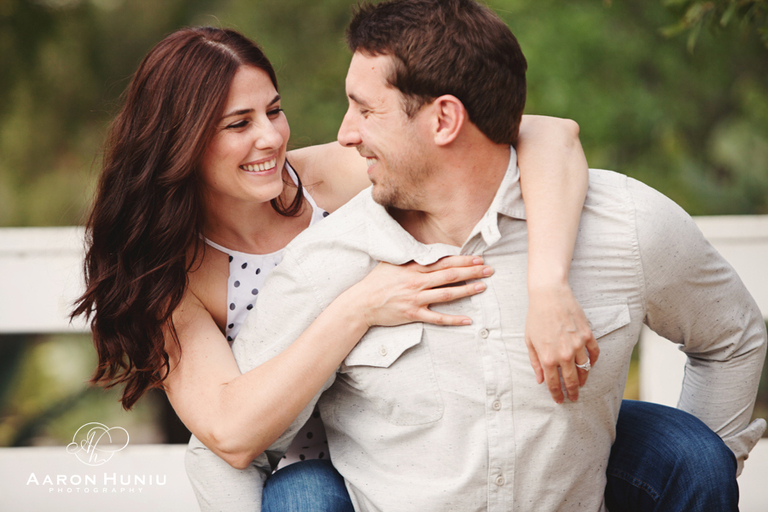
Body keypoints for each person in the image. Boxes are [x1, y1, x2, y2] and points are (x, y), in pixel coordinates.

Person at [185, 1, 767, 511]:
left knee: (695, 455)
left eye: (365, 110)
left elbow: (732, 338)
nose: (344, 134)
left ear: (443, 119)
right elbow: (225, 446)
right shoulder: (327, 260)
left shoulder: (623, 224)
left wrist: (708, 478)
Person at [71, 24, 598, 508]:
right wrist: (360, 307)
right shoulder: (171, 275)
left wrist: (548, 285)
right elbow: (231, 434)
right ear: (179, 142)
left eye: (274, 111)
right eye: (240, 123)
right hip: (312, 465)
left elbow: (548, 134)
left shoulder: (323, 179)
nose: (272, 138)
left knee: (658, 440)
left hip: (420, 426)